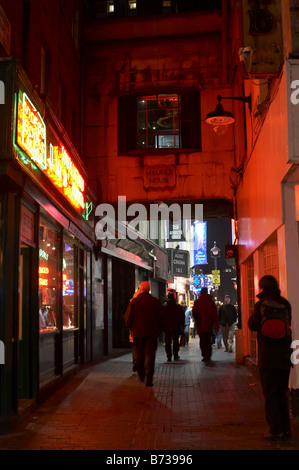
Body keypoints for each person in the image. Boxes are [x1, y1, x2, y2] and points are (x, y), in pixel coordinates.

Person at [248, 275, 292, 440]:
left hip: (267, 357)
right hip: (284, 356)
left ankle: (275, 429)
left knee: (270, 394)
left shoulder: (261, 304)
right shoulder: (285, 303)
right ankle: (286, 429)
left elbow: (252, 325)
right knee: (282, 392)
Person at [124, 281, 163, 387]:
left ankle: (141, 375)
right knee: (150, 356)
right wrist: (159, 330)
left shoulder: (134, 302)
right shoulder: (155, 302)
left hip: (138, 334)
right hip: (151, 334)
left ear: (140, 290)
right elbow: (161, 318)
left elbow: (127, 317)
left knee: (140, 354)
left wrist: (131, 329)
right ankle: (149, 379)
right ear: (149, 289)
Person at [192, 287, 219, 362]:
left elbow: (194, 312)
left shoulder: (197, 302)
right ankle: (208, 354)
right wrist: (216, 326)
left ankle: (204, 355)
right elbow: (215, 315)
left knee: (202, 341)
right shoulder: (211, 302)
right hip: (209, 325)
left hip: (200, 325)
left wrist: (197, 321)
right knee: (208, 340)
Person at [162, 292, 185, 362]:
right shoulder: (178, 306)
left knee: (168, 342)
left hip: (167, 327)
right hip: (176, 327)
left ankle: (169, 356)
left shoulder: (164, 306)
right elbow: (182, 317)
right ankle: (175, 355)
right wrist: (182, 327)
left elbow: (161, 317)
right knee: (175, 341)